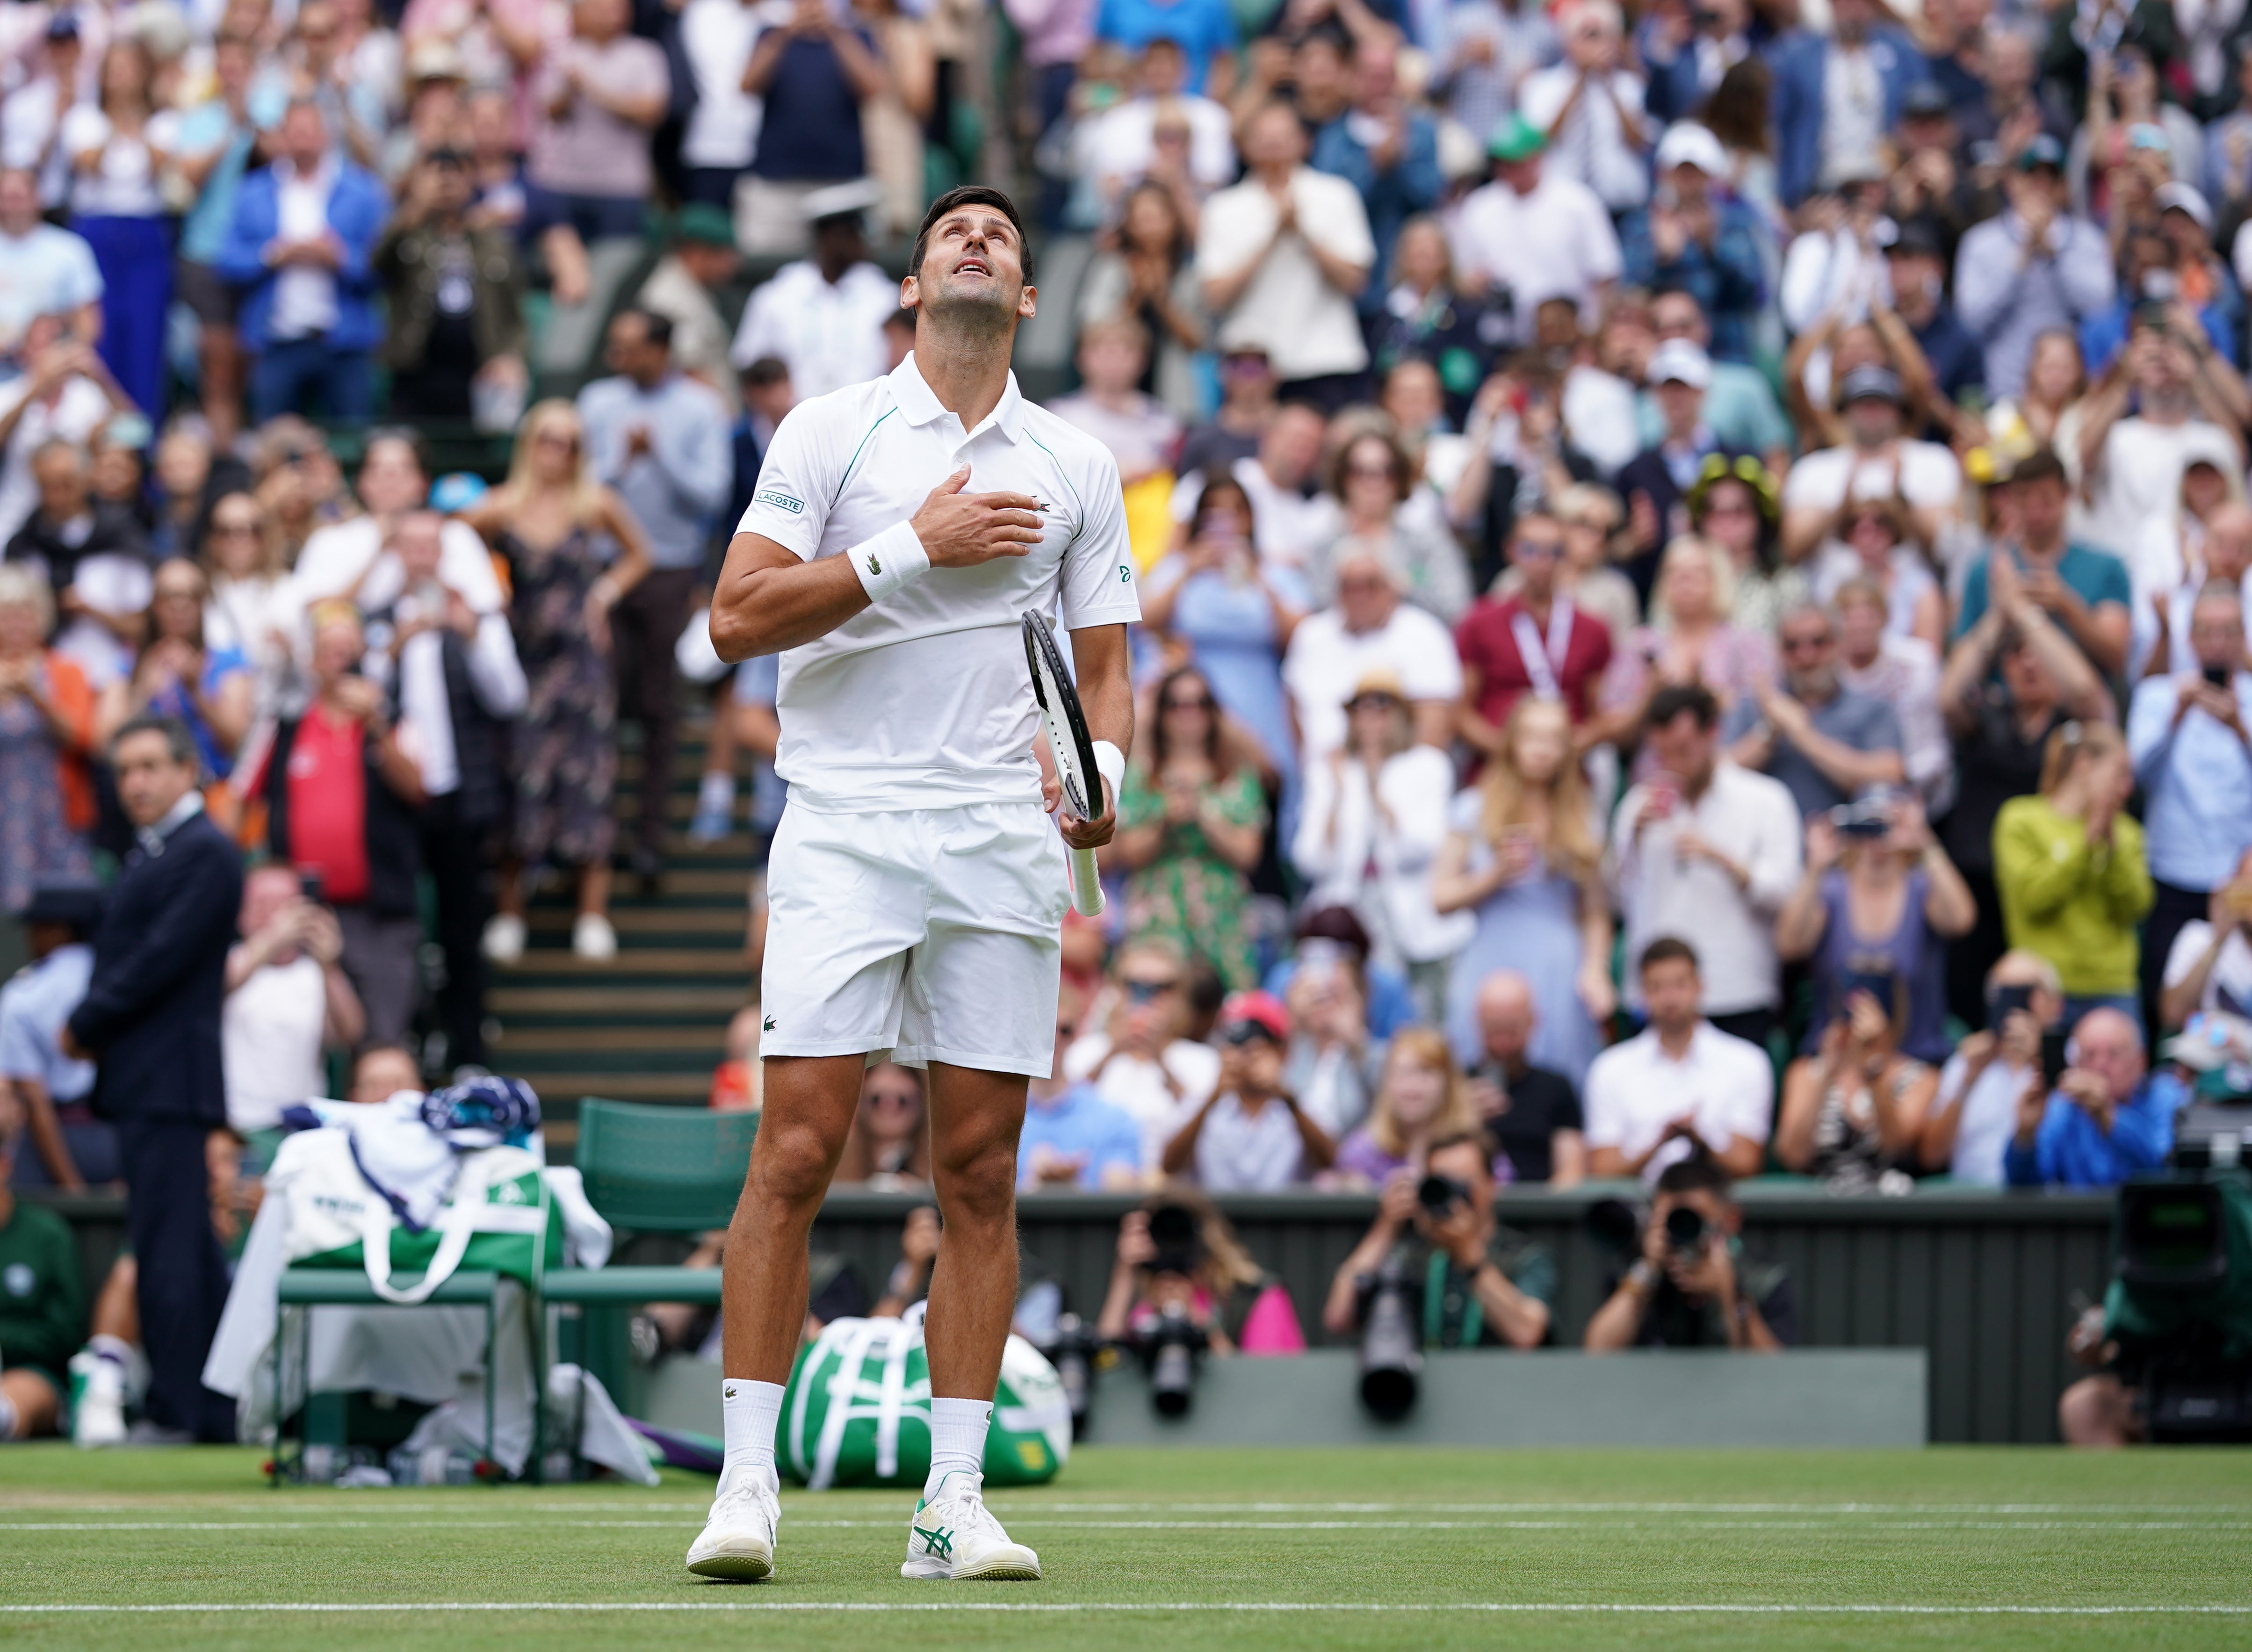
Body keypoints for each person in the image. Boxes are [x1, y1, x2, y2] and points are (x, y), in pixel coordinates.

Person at [695, 186, 1139, 1585]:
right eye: (954, 230)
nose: (978, 240)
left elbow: (1105, 658)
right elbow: (734, 618)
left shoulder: (1077, 460)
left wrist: (1102, 764)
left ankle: (952, 1502)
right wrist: (910, 549)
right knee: (797, 1150)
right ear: (911, 281)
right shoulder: (828, 431)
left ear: (1021, 298)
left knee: (980, 1174)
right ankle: (747, 1486)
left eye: (1002, 238)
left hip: (1004, 843)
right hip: (843, 825)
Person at [62, 715, 242, 1443]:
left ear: (185, 769)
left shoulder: (204, 852)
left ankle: (178, 1409)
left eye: (148, 766)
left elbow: (158, 959)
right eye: (124, 769)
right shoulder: (160, 851)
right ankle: (208, 1408)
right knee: (183, 1249)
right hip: (155, 1081)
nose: (134, 782)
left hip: (170, 1082)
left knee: (169, 1252)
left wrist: (86, 1021)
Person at [461, 399, 652, 964]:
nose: (557, 452)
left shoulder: (594, 503)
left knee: (589, 777)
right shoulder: (498, 507)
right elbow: (450, 542)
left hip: (584, 663)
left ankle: (592, 913)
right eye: (547, 439)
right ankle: (510, 911)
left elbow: (641, 554)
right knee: (522, 774)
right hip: (525, 661)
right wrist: (484, 593)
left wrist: (604, 593)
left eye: (569, 442)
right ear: (529, 443)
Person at [360, 509, 524, 1069]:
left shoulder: (472, 614)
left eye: (432, 546)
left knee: (462, 927)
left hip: (460, 797)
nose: (421, 557)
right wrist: (392, 651)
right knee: (402, 929)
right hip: (396, 800)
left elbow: (509, 698)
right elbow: (362, 706)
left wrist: (473, 633)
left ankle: (467, 1049)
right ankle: (406, 1044)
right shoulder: (378, 620)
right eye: (410, 546)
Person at [576, 310, 730, 882]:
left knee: (660, 708)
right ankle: (596, 836)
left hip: (669, 569)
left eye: (629, 347)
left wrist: (657, 454)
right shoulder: (596, 401)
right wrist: (623, 461)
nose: (618, 357)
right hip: (608, 568)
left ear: (659, 349)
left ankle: (648, 840)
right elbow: (581, 485)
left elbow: (711, 494)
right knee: (603, 702)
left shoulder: (701, 406)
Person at [1937, 541, 2114, 1026]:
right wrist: (2001, 614)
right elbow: (1948, 695)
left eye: (2037, 655)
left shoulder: (2069, 728)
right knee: (1977, 1017)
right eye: (2016, 657)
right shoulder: (1986, 716)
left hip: (2046, 889)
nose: (2028, 664)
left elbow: (2084, 690)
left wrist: (2028, 616)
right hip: (1979, 887)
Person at [245, 604, 425, 1044]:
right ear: (312, 661)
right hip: (302, 914)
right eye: (329, 651)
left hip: (380, 912)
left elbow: (419, 790)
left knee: (384, 1038)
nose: (339, 661)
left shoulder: (394, 720)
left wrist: (377, 723)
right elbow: (241, 800)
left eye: (348, 650)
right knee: (305, 1039)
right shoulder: (284, 729)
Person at [1433, 696, 1614, 1089]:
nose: (1541, 748)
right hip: (1490, 956)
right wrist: (1495, 874)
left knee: (1559, 1071)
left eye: (1553, 738)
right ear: (1512, 742)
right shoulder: (1473, 807)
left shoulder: (1584, 813)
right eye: (1531, 736)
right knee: (1477, 1071)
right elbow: (1440, 897)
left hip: (1559, 962)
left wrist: (1595, 967)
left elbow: (1595, 909)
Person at [1610, 685, 1802, 1048]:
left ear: (1712, 733)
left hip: (1737, 989)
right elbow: (1617, 901)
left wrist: (1723, 859)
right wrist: (1633, 840)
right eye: (1662, 754)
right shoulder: (1638, 804)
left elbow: (1785, 894)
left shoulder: (1766, 800)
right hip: (1654, 996)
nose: (1674, 764)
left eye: (1683, 750)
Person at [1291, 668, 1465, 995]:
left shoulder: (1428, 765)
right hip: (1346, 911)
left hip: (1409, 915)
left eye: (1382, 706)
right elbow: (1309, 859)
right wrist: (1339, 795)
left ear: (1401, 715)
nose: (1370, 718)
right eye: (1360, 707)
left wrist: (1376, 791)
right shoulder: (1328, 769)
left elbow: (1422, 848)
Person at [216, 100, 388, 425]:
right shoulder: (253, 192)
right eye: (295, 132)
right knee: (274, 442)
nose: (303, 140)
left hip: (345, 343)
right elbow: (227, 260)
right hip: (277, 338)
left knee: (352, 439)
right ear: (282, 137)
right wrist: (271, 255)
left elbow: (386, 266)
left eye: (310, 131)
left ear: (326, 136)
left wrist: (340, 257)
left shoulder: (362, 191)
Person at [1776, 792, 1976, 1070]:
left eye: (1887, 822)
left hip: (1914, 1063)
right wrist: (1815, 869)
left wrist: (1926, 844)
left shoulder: (1922, 888)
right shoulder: (1830, 890)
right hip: (1836, 1068)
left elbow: (1961, 920)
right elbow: (1790, 945)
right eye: (1868, 823)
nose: (1877, 834)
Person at [1194, 101, 1372, 409]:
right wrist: (1272, 237)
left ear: (1304, 143)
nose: (1274, 148)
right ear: (1246, 146)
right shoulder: (1222, 207)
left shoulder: (1336, 194)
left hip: (1326, 357)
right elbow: (1214, 296)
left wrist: (1302, 232)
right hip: (1250, 364)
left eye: (1283, 138)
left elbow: (1355, 281)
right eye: (1264, 139)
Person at [2126, 584, 2252, 1018]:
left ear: (2243, 637)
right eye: (2207, 631)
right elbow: (2136, 776)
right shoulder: (2157, 696)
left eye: (2228, 631)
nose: (2217, 643)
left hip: (2242, 876)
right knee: (2167, 1004)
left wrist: (2241, 730)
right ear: (2190, 638)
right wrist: (2174, 721)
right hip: (2173, 873)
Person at [1321, 1129, 1556, 1349]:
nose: (1453, 1197)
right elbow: (1338, 1317)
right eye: (1442, 1184)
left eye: (1463, 1183)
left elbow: (1527, 1334)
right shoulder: (1406, 1255)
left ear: (1491, 1184)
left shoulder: (1524, 1256)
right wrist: (1386, 1228)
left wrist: (1472, 1260)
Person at [1136, 476, 1304, 783]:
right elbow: (1143, 620)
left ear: (1250, 519)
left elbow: (1302, 634)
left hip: (1259, 697)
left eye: (1235, 512)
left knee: (1268, 778)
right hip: (1192, 703)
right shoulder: (1178, 567)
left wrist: (1258, 576)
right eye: (1215, 513)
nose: (1225, 523)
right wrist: (1190, 567)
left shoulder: (1272, 571)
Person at [1110, 664, 1265, 991]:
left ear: (1213, 711)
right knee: (1155, 995)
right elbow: (1126, 852)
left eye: (1199, 703)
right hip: (1159, 910)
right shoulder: (1141, 775)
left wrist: (1203, 817)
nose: (1189, 713)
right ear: (1162, 713)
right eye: (1177, 704)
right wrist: (1164, 820)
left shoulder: (1237, 774)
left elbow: (1249, 853)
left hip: (1220, 913)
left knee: (1226, 1001)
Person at [1992, 720, 2152, 1031]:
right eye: (2120, 773)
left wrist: (2112, 847)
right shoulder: (2021, 819)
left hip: (2112, 988)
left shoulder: (2127, 833)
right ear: (2084, 765)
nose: (2128, 788)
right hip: (2042, 989)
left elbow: (2137, 906)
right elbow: (2033, 899)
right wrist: (2087, 844)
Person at [1583, 938, 1773, 1182]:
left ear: (1700, 986)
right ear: (1643, 993)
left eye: (1680, 985)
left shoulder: (1747, 1062)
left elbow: (1747, 1164)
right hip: (1637, 1210)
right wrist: (1659, 1142)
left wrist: (1699, 1141)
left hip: (1719, 1207)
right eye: (1657, 987)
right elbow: (1602, 1169)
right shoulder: (1609, 1068)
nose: (1670, 998)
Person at [59, 39, 180, 421]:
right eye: (115, 69)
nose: (121, 77)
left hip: (145, 234)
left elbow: (157, 167)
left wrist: (138, 117)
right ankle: (100, 436)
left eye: (129, 68)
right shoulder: (84, 118)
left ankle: (143, 442)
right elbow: (88, 164)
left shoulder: (163, 119)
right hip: (97, 232)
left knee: (146, 342)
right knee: (100, 338)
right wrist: (119, 120)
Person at [520, 0, 667, 308]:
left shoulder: (644, 54)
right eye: (600, 7)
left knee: (617, 278)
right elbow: (549, 111)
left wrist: (591, 87)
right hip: (563, 183)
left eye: (617, 7)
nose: (610, 14)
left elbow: (650, 111)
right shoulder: (563, 53)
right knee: (566, 277)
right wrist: (570, 90)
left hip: (620, 187)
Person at [1953, 136, 2116, 404]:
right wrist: (2020, 260)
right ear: (2012, 182)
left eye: (2050, 178)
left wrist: (2054, 257)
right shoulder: (1981, 242)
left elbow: (2101, 307)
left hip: (2069, 396)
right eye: (2032, 177)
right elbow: (1971, 319)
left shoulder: (2087, 239)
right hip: (2004, 392)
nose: (2040, 188)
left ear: (2062, 186)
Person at [375, 145, 527, 424]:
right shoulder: (409, 234)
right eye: (438, 176)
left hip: (476, 370)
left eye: (458, 174)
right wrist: (416, 205)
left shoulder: (493, 242)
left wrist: (510, 356)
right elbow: (377, 265)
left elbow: (514, 313)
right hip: (415, 370)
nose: (447, 184)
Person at [1954, 449, 2133, 682]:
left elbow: (2117, 657)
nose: (2035, 511)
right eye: (2024, 498)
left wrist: (2066, 605)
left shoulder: (2107, 567)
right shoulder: (1984, 569)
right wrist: (2001, 614)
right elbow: (1957, 669)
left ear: (2066, 495)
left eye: (2045, 500)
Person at [1722, 601, 1906, 823]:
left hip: (1845, 851)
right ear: (1779, 651)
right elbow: (1718, 773)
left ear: (1839, 645)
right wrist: (1770, 732)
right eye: (1793, 645)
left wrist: (1806, 738)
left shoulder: (1872, 708)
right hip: (1763, 850)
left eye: (1819, 642)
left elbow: (1890, 772)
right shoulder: (1755, 707)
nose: (1806, 655)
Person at [1581, 1156, 1794, 1349]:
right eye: (1671, 1220)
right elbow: (1599, 1349)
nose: (1680, 1231)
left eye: (1692, 1219)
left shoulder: (1762, 1278)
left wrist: (1729, 1293)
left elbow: (1772, 1372)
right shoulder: (1635, 1272)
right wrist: (1647, 1272)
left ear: (1731, 1219)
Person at [1449, 115, 1621, 348]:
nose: (1507, 169)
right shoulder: (1479, 207)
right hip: (1501, 336)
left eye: (1515, 161)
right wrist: (1477, 284)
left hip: (1570, 334)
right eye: (1501, 162)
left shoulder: (1578, 202)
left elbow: (1605, 274)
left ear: (1538, 156)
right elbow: (1463, 276)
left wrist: (1594, 335)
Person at [221, 864, 366, 1136]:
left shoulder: (317, 973)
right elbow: (215, 991)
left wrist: (330, 965)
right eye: (262, 903)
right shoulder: (228, 962)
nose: (277, 916)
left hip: (301, 1125)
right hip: (236, 1128)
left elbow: (348, 1035)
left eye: (286, 905)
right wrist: (272, 940)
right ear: (241, 913)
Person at [1455, 511, 1616, 750]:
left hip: (1569, 771)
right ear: (1510, 551)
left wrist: (1565, 752)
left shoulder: (1594, 629)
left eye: (1554, 551)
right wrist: (1509, 754)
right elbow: (1461, 710)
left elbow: (1601, 715)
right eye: (1530, 549)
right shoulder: (1479, 622)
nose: (1543, 561)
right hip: (1495, 769)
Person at [1281, 550, 1462, 760]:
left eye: (1371, 585)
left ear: (1392, 587)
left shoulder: (1425, 634)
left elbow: (1435, 724)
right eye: (1349, 587)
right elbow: (1293, 708)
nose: (1360, 596)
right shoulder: (1311, 635)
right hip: (1321, 779)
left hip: (1401, 779)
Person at [1775, 967, 1939, 1194]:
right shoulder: (1805, 1073)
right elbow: (1792, 1155)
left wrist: (1873, 1070)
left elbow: (1895, 1146)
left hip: (1893, 1207)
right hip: (1821, 1209)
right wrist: (1828, 1073)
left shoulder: (1923, 1078)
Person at [1060, 940, 1222, 1170]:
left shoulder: (1204, 1061)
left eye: (1162, 988)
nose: (1146, 997)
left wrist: (1160, 1059)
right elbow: (1061, 1113)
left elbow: (1204, 1130)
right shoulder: (1084, 1051)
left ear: (1181, 996)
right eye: (1133, 985)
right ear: (1115, 989)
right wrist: (1113, 1051)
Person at [729, 183, 898, 403]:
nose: (860, 243)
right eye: (850, 235)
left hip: (868, 424)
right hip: (793, 423)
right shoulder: (776, 295)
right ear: (827, 238)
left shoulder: (886, 297)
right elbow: (749, 365)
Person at [1160, 989, 1335, 1190]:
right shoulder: (1204, 1099)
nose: (1245, 1057)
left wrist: (1284, 1095)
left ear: (1281, 1050)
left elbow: (1330, 1161)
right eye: (1235, 1045)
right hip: (1215, 1218)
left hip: (1283, 1219)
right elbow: (1169, 1165)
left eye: (1256, 1047)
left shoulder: (1302, 1099)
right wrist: (1213, 1098)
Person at [1098, 1191, 1306, 1356]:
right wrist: (1124, 1275)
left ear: (1208, 1237)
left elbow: (1266, 1384)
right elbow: (1107, 1359)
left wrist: (1200, 1324)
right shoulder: (1151, 1302)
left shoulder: (1256, 1296)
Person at [0, 565, 98, 914]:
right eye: (7, 616)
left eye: (24, 615)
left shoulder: (65, 669)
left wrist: (35, 696)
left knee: (59, 908)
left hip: (54, 812)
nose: (16, 626)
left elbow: (85, 738)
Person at [1920, 950, 2065, 1185]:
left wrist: (2041, 1060)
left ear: (2056, 1004)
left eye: (2026, 992)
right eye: (2004, 994)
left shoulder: (2077, 1057)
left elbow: (2079, 1147)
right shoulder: (1965, 1062)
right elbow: (1932, 1156)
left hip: (2046, 1207)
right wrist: (1967, 1081)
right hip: (1973, 1207)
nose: (2015, 1007)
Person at [2003, 1007, 2187, 1188]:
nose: (2100, 1065)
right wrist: (2025, 1138)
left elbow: (2168, 1171)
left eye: (2113, 1054)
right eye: (2090, 1055)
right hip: (2080, 1217)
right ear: (2075, 1063)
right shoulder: (2064, 1105)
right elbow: (2027, 1186)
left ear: (2141, 1061)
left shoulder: (2165, 1096)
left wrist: (2110, 1117)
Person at [1304, 427, 1471, 622]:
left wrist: (1397, 588)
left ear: (1400, 479)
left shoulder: (1429, 544)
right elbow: (1316, 616)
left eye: (1386, 472)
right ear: (1343, 479)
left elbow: (1457, 611)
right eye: (1358, 471)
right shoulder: (1323, 548)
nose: (1372, 483)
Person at [0, 880, 105, 1189]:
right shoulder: (122, 982)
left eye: (37, 927)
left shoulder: (23, 995)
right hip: (120, 1136)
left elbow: (35, 1102)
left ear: (57, 930)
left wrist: (71, 1185)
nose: (31, 937)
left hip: (60, 1137)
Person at [125, 560, 254, 785]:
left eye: (191, 596)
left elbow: (239, 741)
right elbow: (106, 743)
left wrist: (196, 691)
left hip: (212, 792)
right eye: (169, 596)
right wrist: (144, 692)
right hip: (150, 797)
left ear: (203, 602)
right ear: (155, 604)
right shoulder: (130, 664)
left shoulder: (230, 661)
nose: (180, 606)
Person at [0, 1104, 85, 1439]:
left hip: (32, 1373)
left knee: (21, 1390)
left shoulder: (46, 1234)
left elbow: (65, 1333)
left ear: (4, 1164)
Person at [1834, 577, 1951, 813]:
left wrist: (1899, 777)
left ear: (1885, 617)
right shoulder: (1830, 673)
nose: (1859, 626)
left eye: (1868, 616)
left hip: (1922, 792)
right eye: (1850, 617)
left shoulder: (1917, 663)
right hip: (1847, 789)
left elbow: (1932, 743)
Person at [1459, 971, 1586, 1187]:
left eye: (1512, 1030)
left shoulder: (1556, 1088)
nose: (1504, 1043)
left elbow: (1571, 1172)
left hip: (1540, 1212)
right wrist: (1461, 1117)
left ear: (1533, 1022)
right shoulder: (1456, 1086)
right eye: (1495, 1030)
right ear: (1478, 1022)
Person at [1018, 992, 1142, 1190]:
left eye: (1065, 1030)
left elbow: (1120, 1196)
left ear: (1076, 1036)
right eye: (1043, 1029)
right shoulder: (994, 1117)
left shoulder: (1114, 1118)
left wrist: (1069, 1186)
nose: (1054, 1039)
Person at [1331, 1026, 1482, 1186]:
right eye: (1402, 1073)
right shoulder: (1359, 1154)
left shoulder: (1475, 1151)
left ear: (1449, 1083)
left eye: (1425, 1072)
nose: (1412, 1085)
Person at [833, 1062, 932, 1187]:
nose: (889, 1085)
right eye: (877, 1100)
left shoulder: (941, 1176)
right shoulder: (832, 1168)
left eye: (902, 1102)